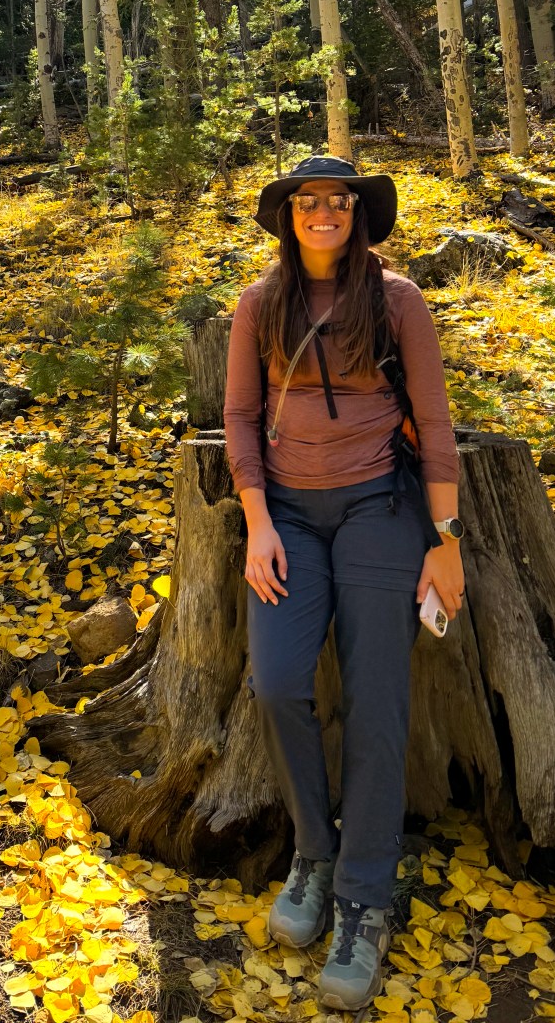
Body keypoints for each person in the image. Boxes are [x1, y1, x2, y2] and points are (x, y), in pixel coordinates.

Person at [223, 154, 465, 1012]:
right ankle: (314, 854)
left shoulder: (397, 301)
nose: (322, 212)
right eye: (307, 201)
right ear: (288, 216)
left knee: (377, 697)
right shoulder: (259, 304)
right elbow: (239, 418)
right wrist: (257, 523)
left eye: (338, 201)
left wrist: (446, 540)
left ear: (358, 215)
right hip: (287, 515)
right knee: (280, 682)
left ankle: (364, 898)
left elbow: (433, 420)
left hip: (378, 508)